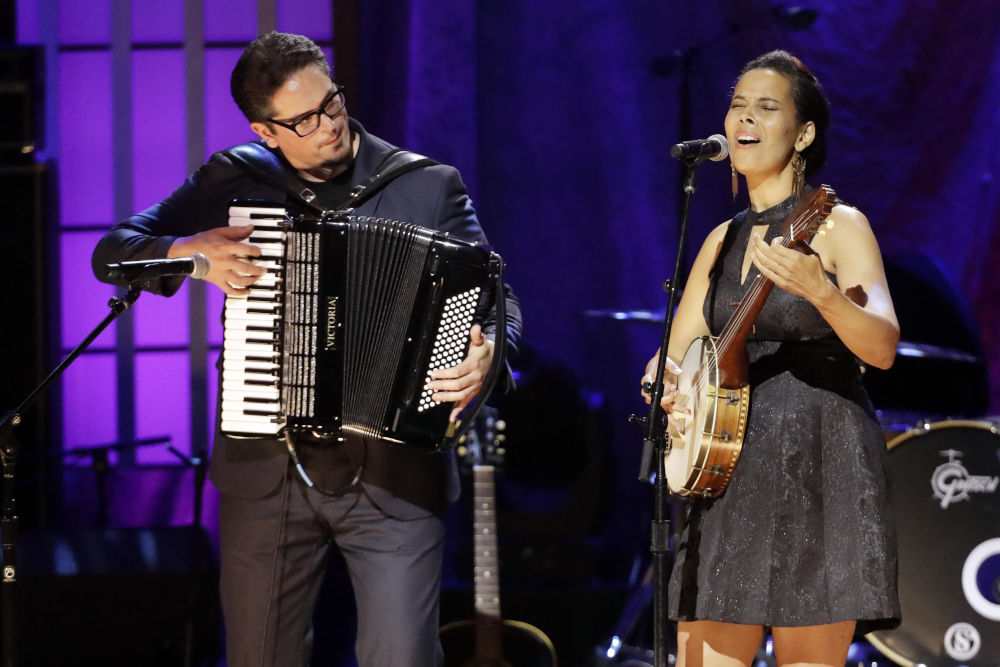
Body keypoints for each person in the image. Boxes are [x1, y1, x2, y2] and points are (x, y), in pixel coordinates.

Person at [92, 32, 521, 667]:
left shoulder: (428, 185)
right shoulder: (236, 177)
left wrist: (489, 359)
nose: (329, 125)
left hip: (394, 475)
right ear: (266, 132)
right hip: (265, 473)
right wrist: (189, 254)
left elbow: (498, 300)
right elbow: (114, 251)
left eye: (333, 102)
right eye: (304, 119)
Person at [640, 50, 900, 667]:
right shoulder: (720, 241)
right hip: (727, 470)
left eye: (766, 107)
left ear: (803, 132)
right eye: (737, 106)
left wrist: (821, 292)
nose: (744, 119)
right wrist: (666, 387)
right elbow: (670, 358)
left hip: (821, 462)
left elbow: (883, 346)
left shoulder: (837, 226)